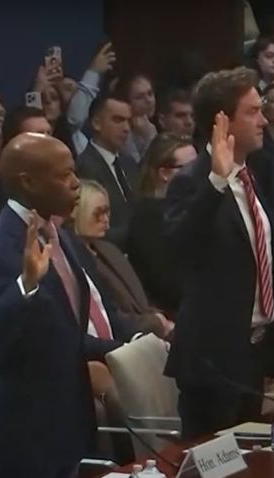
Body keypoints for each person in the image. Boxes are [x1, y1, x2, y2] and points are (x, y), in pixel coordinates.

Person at [0, 133, 104, 477]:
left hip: (66, 422)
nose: (76, 183)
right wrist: (25, 286)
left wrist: (128, 346)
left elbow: (64, 331)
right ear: (28, 182)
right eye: (64, 175)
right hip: (16, 435)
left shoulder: (57, 234)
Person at [163, 67, 274, 438]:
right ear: (222, 121)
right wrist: (216, 182)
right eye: (253, 112)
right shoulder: (191, 181)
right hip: (211, 360)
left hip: (251, 354)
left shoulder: (254, 175)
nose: (264, 120)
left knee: (253, 459)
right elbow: (179, 248)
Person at [70, 179, 172, 339]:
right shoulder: (74, 260)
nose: (105, 219)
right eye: (98, 214)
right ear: (78, 213)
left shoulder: (110, 250)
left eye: (107, 212)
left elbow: (141, 301)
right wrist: (155, 322)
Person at [126, 134, 196, 316]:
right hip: (171, 315)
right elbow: (167, 282)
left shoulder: (186, 209)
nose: (198, 173)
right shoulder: (148, 217)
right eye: (190, 167)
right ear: (164, 173)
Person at [76, 93, 139, 249]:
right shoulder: (84, 166)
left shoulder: (129, 163)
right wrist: (140, 235)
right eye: (118, 120)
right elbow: (90, 228)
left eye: (128, 121)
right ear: (97, 123)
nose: (126, 128)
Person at [66, 41, 118, 155]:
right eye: (68, 89)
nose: (75, 95)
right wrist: (94, 71)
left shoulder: (81, 139)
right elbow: (75, 117)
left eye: (76, 90)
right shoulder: (63, 134)